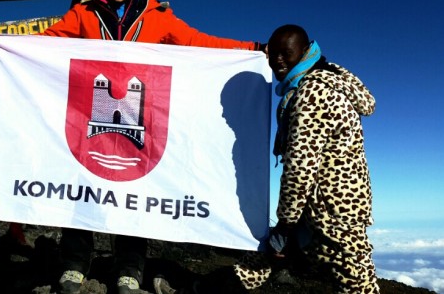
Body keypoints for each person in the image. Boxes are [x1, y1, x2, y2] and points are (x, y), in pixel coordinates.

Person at [0, 0, 263, 294]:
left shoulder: (158, 17)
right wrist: (2, 44)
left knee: (134, 194)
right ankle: (74, 265)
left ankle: (129, 269)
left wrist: (253, 47)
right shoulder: (85, 12)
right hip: (86, 116)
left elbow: (198, 42)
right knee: (80, 188)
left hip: (140, 118)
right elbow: (49, 40)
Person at [155, 24, 378, 294]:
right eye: (274, 54)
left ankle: (196, 288)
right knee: (260, 262)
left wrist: (285, 224)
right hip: (327, 206)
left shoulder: (311, 95)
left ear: (305, 52)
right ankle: (197, 288)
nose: (279, 60)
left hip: (331, 213)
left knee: (357, 285)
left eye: (287, 53)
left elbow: (300, 167)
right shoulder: (325, 81)